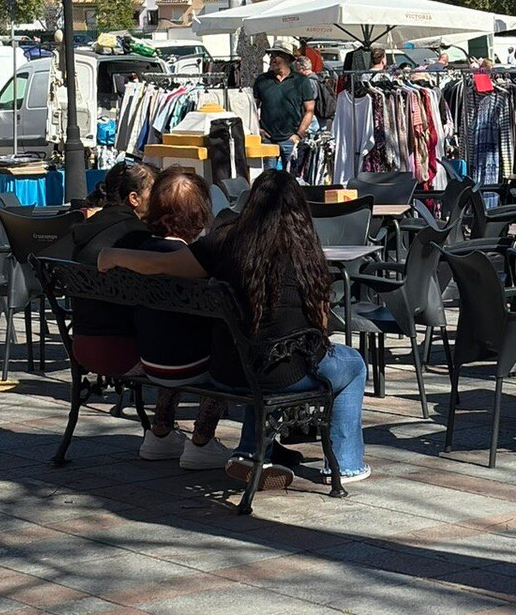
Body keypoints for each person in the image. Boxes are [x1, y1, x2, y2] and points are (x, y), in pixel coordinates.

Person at [97, 170, 369, 490]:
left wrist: (113, 254)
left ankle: (252, 453)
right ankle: (346, 464)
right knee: (352, 364)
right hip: (281, 373)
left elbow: (162, 263)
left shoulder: (224, 243)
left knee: (257, 354)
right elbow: (320, 326)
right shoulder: (307, 254)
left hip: (228, 371)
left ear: (250, 204)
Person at [133, 167, 231, 470]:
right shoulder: (196, 259)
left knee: (177, 338)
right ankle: (201, 440)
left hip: (150, 361)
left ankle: (159, 432)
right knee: (229, 351)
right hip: (192, 365)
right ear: (199, 215)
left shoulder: (138, 251)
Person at [253, 45, 317, 169]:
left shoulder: (301, 81)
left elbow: (309, 110)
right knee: (269, 179)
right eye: (271, 56)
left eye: (275, 56)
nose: (272, 59)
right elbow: (252, 108)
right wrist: (258, 129)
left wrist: (298, 134)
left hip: (291, 139)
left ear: (287, 59)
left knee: (292, 180)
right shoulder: (262, 80)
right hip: (268, 139)